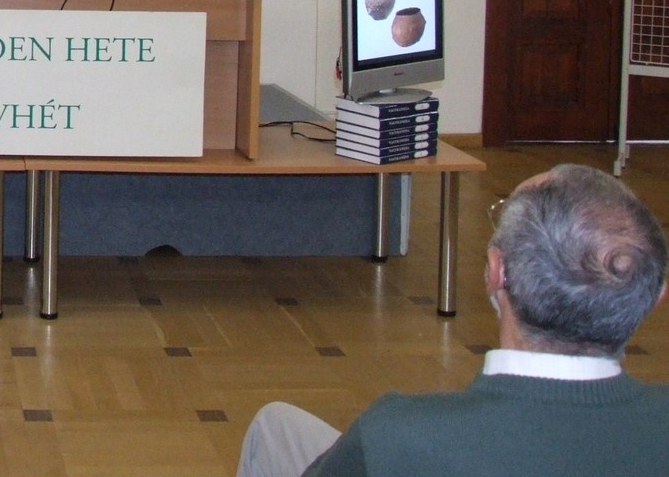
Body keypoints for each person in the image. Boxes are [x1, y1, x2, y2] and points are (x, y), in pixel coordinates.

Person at [237, 162, 669, 477]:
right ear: (656, 295)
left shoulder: (397, 435)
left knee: (272, 431)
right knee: (277, 426)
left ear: (496, 272)